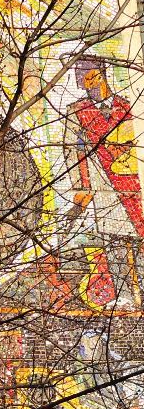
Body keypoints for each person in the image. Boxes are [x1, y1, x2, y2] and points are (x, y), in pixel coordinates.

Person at [64, 55, 144, 303]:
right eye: (80, 77)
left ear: (102, 73)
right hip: (105, 188)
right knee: (116, 245)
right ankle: (126, 298)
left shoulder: (128, 107)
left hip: (134, 186)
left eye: (88, 75)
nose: (84, 83)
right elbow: (72, 153)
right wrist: (80, 189)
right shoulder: (77, 112)